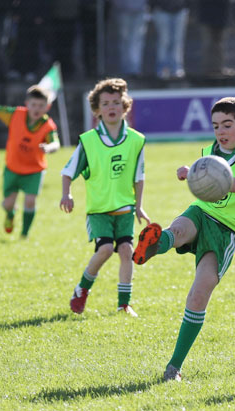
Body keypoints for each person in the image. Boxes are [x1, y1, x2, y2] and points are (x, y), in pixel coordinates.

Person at [133, 97, 235, 381]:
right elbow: (203, 168)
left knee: (199, 293)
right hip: (202, 212)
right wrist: (190, 170)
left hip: (228, 229)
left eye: (228, 125)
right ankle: (156, 244)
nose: (221, 132)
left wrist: (203, 177)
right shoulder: (210, 151)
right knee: (179, 230)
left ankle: (173, 367)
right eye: (216, 125)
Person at [60, 78, 150, 317]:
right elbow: (68, 171)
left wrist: (139, 206)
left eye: (117, 102)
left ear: (125, 107)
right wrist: (66, 194)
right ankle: (82, 289)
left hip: (125, 208)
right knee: (105, 250)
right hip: (99, 209)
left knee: (126, 252)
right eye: (106, 103)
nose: (112, 107)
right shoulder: (88, 141)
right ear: (97, 110)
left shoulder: (136, 140)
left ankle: (124, 304)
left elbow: (139, 177)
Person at [0, 85, 59, 238]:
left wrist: (48, 148)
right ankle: (10, 214)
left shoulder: (48, 126)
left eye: (41, 106)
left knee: (30, 201)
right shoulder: (16, 114)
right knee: (7, 204)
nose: (37, 109)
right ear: (27, 104)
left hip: (34, 170)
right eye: (34, 104)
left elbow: (56, 143)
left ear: (47, 107)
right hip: (13, 168)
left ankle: (24, 234)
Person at [108, 0, 149, 77]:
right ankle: (126, 69)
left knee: (136, 41)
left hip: (140, 11)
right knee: (125, 41)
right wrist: (121, 6)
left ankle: (135, 69)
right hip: (123, 12)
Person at [150, 0, 190, 79]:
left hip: (180, 9)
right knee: (164, 40)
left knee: (177, 41)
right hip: (161, 9)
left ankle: (176, 68)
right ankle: (162, 68)